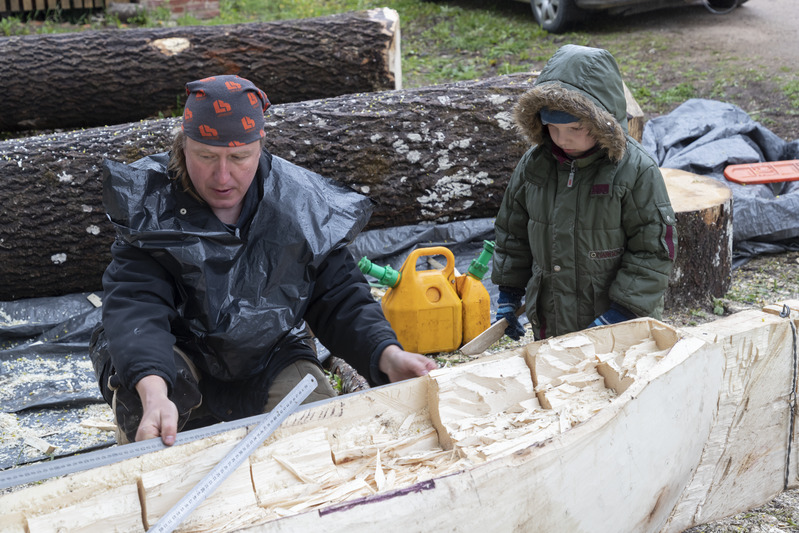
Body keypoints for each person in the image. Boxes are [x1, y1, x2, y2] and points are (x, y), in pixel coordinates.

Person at [90, 75, 436, 446]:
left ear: (260, 145)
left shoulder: (297, 202)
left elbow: (339, 294)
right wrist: (154, 389)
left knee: (316, 429)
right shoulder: (151, 204)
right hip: (176, 352)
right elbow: (136, 304)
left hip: (270, 350)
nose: (223, 176)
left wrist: (386, 353)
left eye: (239, 157)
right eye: (206, 156)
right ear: (184, 143)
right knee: (143, 406)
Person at [492, 45, 677, 341]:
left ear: (602, 120)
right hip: (551, 319)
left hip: (615, 324)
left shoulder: (634, 170)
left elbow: (653, 248)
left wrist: (623, 312)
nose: (561, 138)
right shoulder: (535, 165)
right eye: (552, 127)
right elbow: (512, 234)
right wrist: (509, 293)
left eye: (575, 128)